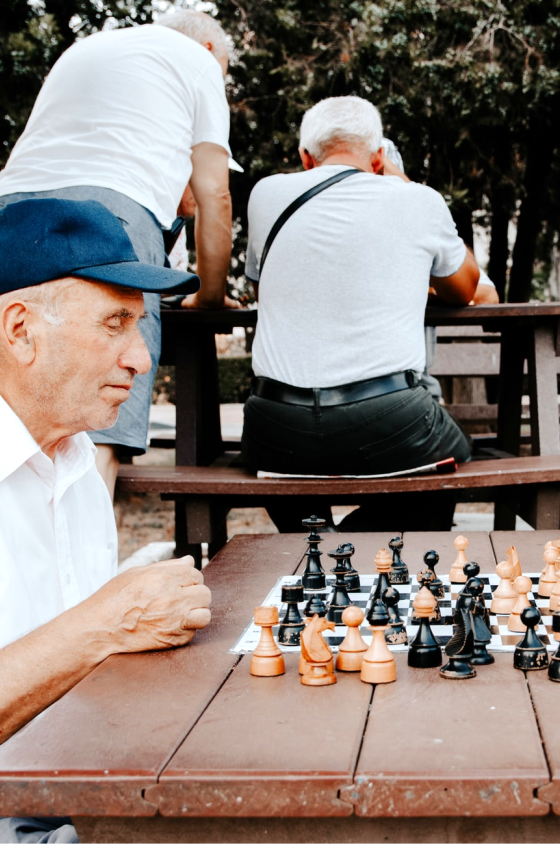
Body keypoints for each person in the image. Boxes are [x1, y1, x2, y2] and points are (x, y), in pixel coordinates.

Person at [0, 198, 213, 843]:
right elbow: (91, 635)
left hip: (84, 800)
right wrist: (108, 622)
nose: (141, 361)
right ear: (20, 330)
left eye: (139, 326)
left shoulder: (75, 461)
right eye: (115, 323)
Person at [0, 9, 238, 499]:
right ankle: (92, 569)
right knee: (102, 406)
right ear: (213, 52)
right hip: (111, 213)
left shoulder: (90, 47)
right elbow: (214, 193)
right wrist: (210, 297)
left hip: (11, 207)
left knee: (15, 408)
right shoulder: (199, 60)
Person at [242, 96, 480, 531]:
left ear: (304, 157)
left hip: (274, 424)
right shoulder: (416, 199)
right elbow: (464, 288)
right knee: (453, 458)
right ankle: (346, 544)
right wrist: (403, 181)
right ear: (378, 158)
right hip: (388, 418)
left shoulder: (265, 194)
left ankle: (311, 537)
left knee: (277, 454)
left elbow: (263, 285)